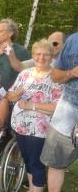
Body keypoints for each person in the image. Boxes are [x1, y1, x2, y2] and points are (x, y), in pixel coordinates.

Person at [7, 39, 63, 192]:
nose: (42, 58)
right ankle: (33, 188)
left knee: (36, 164)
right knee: (27, 161)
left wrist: (31, 106)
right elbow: (10, 95)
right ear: (33, 55)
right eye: (38, 54)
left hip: (40, 131)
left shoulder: (56, 77)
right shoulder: (25, 74)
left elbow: (57, 107)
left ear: (51, 56)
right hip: (20, 127)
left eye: (46, 54)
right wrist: (16, 94)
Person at [40, 32, 78, 192]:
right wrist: (71, 73)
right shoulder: (73, 39)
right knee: (55, 164)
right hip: (67, 117)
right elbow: (55, 76)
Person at [0, 18, 31, 91]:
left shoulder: (22, 51)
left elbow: (29, 77)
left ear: (10, 33)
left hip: (11, 97)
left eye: (0, 31)